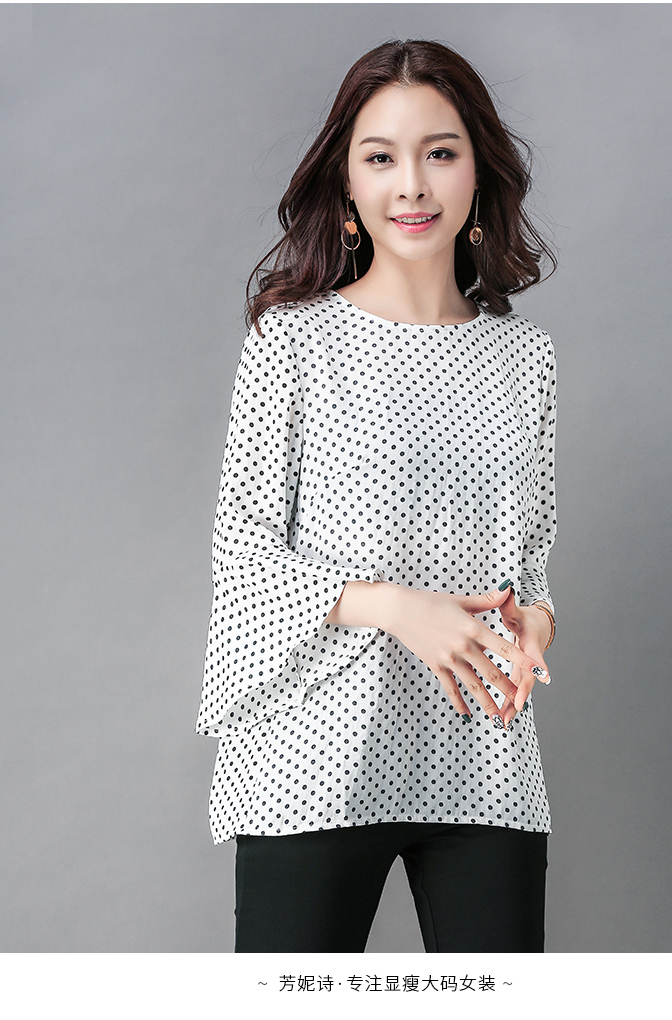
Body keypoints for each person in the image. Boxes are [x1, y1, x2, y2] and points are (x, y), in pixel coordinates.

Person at [196, 38, 559, 953]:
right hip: (314, 751)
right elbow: (243, 555)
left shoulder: (526, 359)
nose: (413, 186)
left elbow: (530, 560)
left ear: (478, 171)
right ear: (349, 184)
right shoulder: (292, 341)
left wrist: (536, 620)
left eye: (440, 153)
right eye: (381, 157)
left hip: (481, 750)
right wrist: (399, 608)